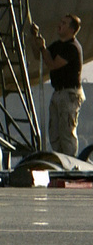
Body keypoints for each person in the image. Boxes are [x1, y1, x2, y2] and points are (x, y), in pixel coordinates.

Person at [34, 14, 84, 156]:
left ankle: (70, 161)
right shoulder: (58, 45)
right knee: (54, 132)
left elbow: (52, 64)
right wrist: (35, 40)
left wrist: (43, 48)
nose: (59, 25)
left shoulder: (72, 48)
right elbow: (40, 56)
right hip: (58, 92)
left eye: (64, 23)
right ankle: (61, 159)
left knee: (66, 132)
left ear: (72, 29)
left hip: (69, 94)